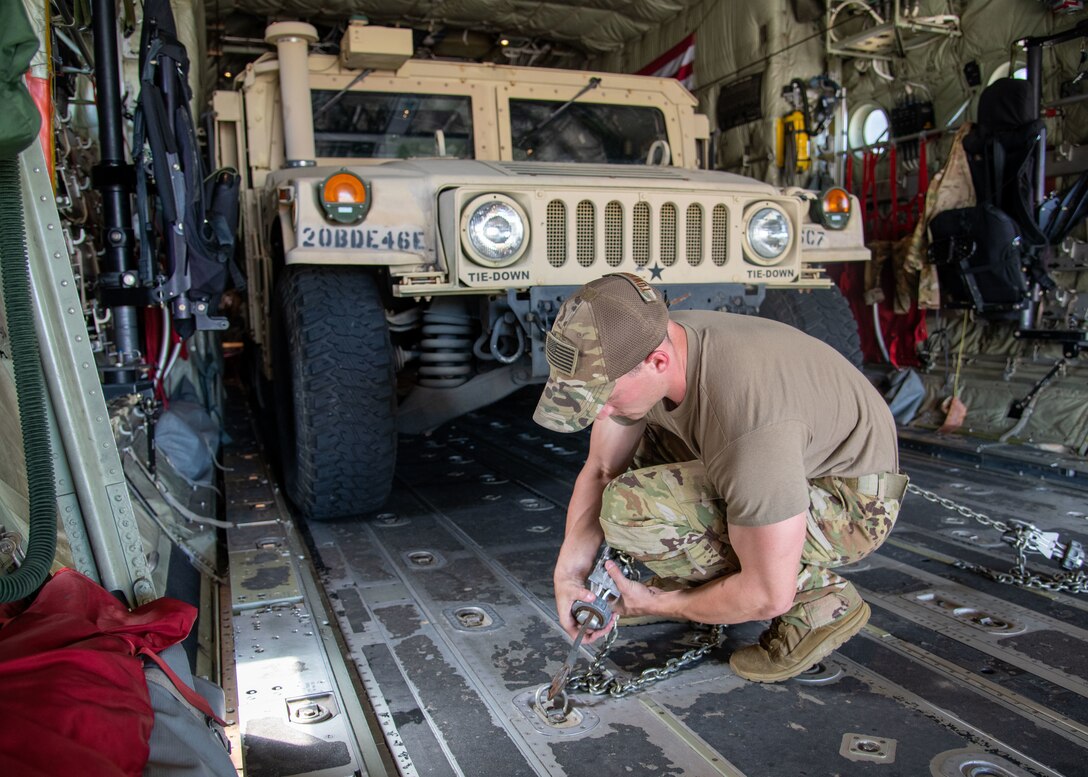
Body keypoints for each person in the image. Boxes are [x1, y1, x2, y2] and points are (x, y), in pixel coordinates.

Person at [533, 272, 907, 683]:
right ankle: (700, 580)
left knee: (631, 509)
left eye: (603, 396)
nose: (599, 412)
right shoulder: (650, 339)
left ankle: (818, 600)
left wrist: (659, 604)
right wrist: (567, 575)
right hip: (784, 460)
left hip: (847, 500)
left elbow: (768, 593)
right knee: (633, 454)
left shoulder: (747, 423)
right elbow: (603, 469)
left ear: (657, 363)